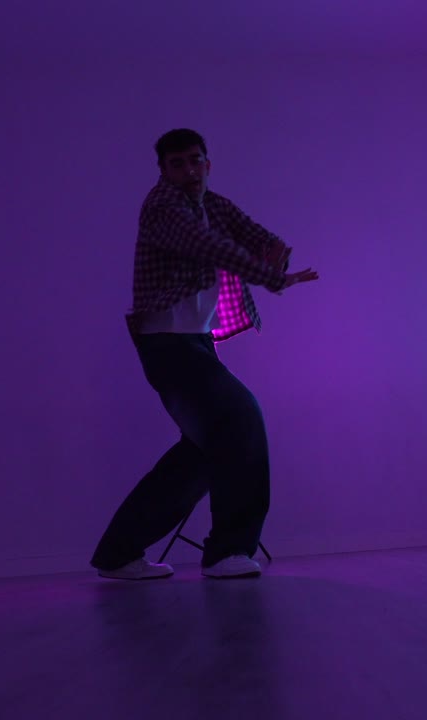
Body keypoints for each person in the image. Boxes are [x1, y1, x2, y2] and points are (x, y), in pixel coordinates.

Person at [90, 129, 319, 580]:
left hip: (194, 342)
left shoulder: (212, 203)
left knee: (200, 453)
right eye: (177, 164)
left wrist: (276, 254)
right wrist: (272, 278)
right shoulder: (164, 208)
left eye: (195, 160)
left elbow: (252, 234)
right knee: (241, 418)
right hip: (167, 343)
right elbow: (212, 246)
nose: (189, 170)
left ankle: (119, 554)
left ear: (208, 164)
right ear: (163, 171)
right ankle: (227, 552)